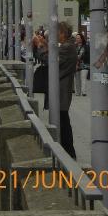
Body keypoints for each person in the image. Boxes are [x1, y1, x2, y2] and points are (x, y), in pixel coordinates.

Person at [32, 20, 78, 158]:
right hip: (60, 90)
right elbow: (54, 54)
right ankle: (67, 153)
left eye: (54, 32)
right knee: (62, 122)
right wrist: (45, 45)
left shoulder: (68, 47)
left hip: (61, 91)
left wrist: (40, 45)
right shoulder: (67, 45)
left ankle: (68, 155)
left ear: (62, 33)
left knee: (62, 123)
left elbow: (50, 60)